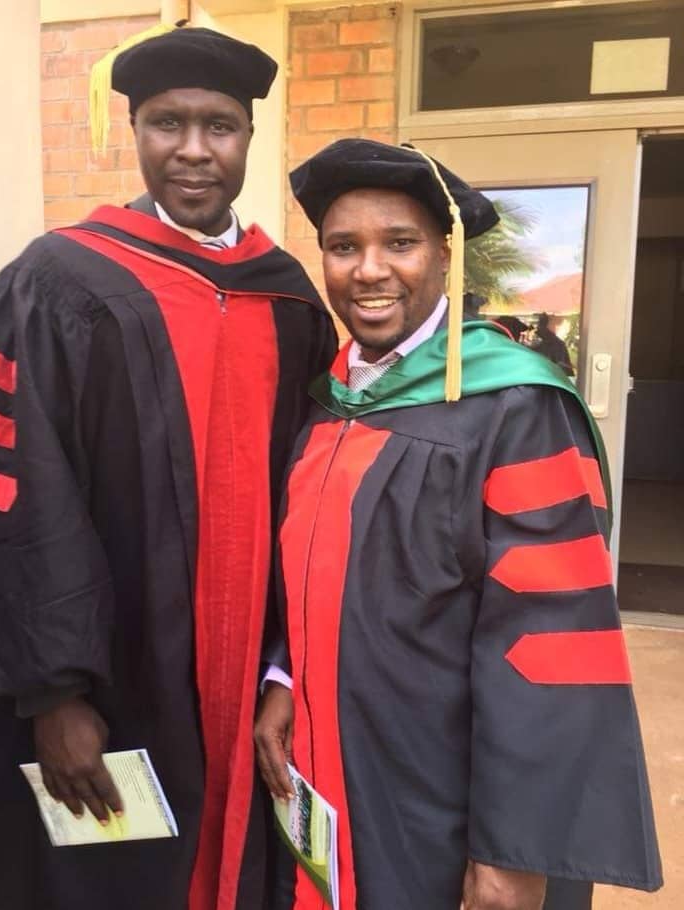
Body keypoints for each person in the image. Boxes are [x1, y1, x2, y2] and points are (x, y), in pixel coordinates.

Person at [0, 25, 335, 910]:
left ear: (249, 136)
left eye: (220, 125)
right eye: (168, 123)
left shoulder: (289, 296)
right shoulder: (58, 281)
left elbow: (318, 496)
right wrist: (52, 693)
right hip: (109, 678)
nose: (194, 150)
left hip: (250, 678)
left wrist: (287, 670)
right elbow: (12, 484)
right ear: (133, 131)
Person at [254, 139, 662, 910]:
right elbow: (309, 569)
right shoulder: (331, 400)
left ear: (446, 256)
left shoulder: (516, 407)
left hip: (446, 791)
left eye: (399, 243)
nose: (369, 269)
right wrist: (283, 676)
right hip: (331, 759)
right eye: (344, 247)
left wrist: (514, 848)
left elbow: (551, 642)